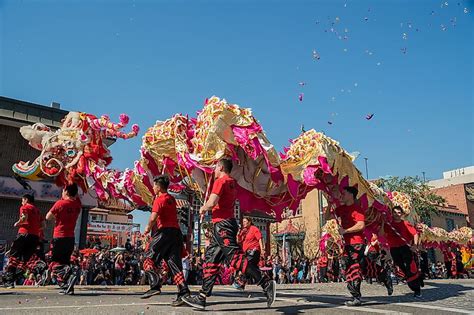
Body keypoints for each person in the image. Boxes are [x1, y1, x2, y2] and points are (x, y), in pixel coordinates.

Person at [182, 159, 276, 310]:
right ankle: (202, 297)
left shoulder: (221, 181)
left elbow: (212, 202)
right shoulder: (232, 182)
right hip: (224, 224)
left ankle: (266, 283)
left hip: (223, 225)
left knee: (235, 258)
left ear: (220, 167)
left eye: (215, 167)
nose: (213, 170)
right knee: (210, 260)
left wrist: (203, 208)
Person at [141, 175, 190, 307]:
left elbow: (153, 218)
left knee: (147, 257)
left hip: (165, 233)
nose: (153, 187)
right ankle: (184, 293)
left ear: (158, 186)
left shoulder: (160, 199)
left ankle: (155, 284)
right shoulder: (171, 199)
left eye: (154, 185)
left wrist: (147, 229)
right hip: (176, 234)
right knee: (174, 264)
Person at [326, 186, 366, 306]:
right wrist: (329, 204)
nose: (342, 195)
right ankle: (354, 295)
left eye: (344, 193)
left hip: (356, 243)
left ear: (351, 195)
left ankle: (356, 297)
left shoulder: (357, 209)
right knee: (347, 269)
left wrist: (346, 231)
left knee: (355, 268)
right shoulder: (341, 209)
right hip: (346, 244)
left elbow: (361, 225)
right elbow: (327, 217)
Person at [46, 183, 82, 295]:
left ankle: (70, 273)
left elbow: (48, 216)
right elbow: (77, 198)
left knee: (55, 263)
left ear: (66, 191)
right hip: (70, 238)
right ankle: (68, 286)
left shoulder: (60, 203)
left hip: (59, 236)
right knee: (65, 262)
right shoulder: (77, 205)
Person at [3, 194, 46, 288]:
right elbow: (43, 225)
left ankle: (9, 281)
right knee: (24, 259)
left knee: (13, 257)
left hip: (23, 234)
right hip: (34, 236)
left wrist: (17, 223)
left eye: (22, 200)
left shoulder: (25, 207)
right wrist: (35, 228)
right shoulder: (37, 210)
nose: (21, 202)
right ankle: (37, 267)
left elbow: (24, 218)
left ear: (26, 200)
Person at [381, 206, 422, 298]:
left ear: (402, 214)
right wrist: (383, 222)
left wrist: (415, 245)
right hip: (394, 249)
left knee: (410, 268)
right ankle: (412, 280)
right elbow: (381, 234)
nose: (397, 214)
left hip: (405, 247)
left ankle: (416, 289)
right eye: (395, 212)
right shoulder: (388, 224)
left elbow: (415, 233)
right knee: (402, 268)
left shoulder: (405, 223)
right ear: (392, 213)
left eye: (399, 213)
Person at [233, 216, 265, 290]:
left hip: (253, 251)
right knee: (249, 269)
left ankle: (241, 281)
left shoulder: (254, 229)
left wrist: (262, 249)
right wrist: (238, 233)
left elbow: (259, 238)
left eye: (245, 221)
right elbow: (238, 241)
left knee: (245, 265)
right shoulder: (244, 231)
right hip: (246, 253)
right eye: (243, 221)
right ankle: (242, 283)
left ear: (249, 221)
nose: (243, 223)